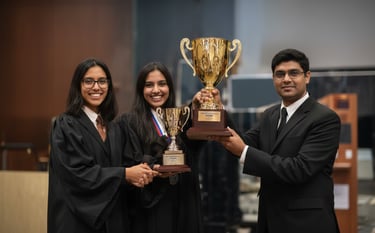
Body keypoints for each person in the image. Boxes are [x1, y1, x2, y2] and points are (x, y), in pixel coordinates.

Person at [212, 49, 341, 233]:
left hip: (306, 223)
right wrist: (217, 110)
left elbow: (299, 169)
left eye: (293, 73)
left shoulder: (324, 118)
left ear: (307, 77)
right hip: (270, 219)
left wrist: (244, 151)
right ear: (273, 79)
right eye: (280, 74)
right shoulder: (270, 115)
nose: (286, 79)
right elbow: (242, 141)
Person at [47, 58, 157, 233]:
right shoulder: (66, 125)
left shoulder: (114, 128)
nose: (96, 87)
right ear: (78, 85)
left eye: (102, 81)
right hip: (76, 222)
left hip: (112, 222)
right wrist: (125, 174)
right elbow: (78, 174)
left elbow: (128, 164)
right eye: (89, 81)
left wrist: (149, 169)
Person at [117, 61, 215, 233]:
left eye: (162, 84)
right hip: (152, 207)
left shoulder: (182, 118)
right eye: (149, 85)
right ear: (141, 89)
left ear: (170, 87)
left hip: (184, 200)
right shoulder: (128, 123)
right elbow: (128, 162)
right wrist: (154, 166)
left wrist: (198, 108)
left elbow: (196, 147)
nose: (156, 90)